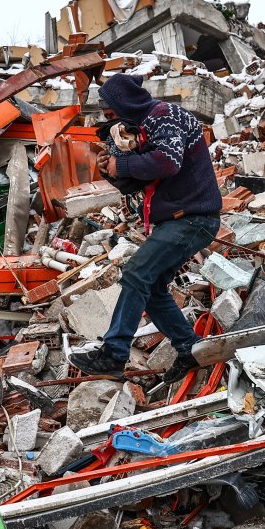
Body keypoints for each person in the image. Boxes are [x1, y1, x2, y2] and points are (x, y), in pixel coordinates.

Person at [68, 74, 223, 384]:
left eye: (111, 114)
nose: (109, 121)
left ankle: (114, 353)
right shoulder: (137, 130)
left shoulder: (162, 116)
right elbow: (134, 181)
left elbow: (168, 162)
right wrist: (110, 168)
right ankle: (190, 350)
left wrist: (120, 164)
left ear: (124, 104)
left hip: (193, 218)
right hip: (177, 220)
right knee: (151, 290)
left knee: (137, 273)